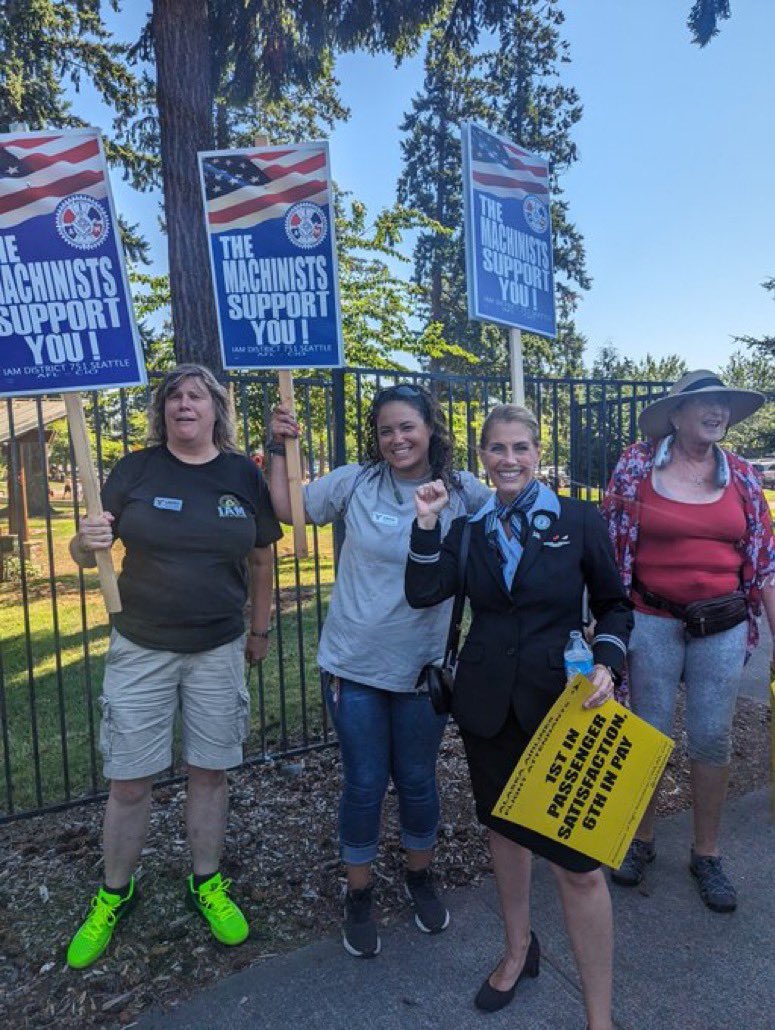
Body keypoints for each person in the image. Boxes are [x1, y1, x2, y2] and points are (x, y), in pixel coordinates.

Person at [405, 404, 631, 1030]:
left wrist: (609, 660)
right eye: (498, 449)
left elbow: (615, 605)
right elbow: (425, 592)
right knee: (503, 832)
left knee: (579, 868)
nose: (510, 459)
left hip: (564, 707)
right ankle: (517, 949)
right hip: (487, 706)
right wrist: (426, 524)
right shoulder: (469, 525)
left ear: (537, 452)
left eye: (521, 448)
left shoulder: (578, 519)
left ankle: (600, 1019)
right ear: (483, 456)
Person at [66, 364, 282, 969]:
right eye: (173, 398)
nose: (184, 405)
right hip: (142, 647)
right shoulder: (135, 469)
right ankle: (115, 892)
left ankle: (206, 881)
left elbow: (262, 561)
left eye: (196, 396)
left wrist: (259, 627)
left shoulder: (242, 474)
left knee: (210, 772)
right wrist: (87, 543)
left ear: (216, 410)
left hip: (217, 648)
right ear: (163, 413)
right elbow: (87, 552)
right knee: (131, 780)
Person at [268, 383, 491, 958]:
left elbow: (508, 539)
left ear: (430, 428)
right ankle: (359, 890)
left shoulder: (464, 490)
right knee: (364, 782)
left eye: (407, 427)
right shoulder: (355, 483)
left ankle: (420, 875)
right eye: (386, 430)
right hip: (354, 665)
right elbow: (288, 509)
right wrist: (276, 447)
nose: (397, 439)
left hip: (424, 670)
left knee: (417, 779)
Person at [602, 369, 775, 912]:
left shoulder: (745, 478)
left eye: (722, 403)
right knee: (647, 733)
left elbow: (766, 566)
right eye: (704, 402)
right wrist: (600, 619)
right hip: (650, 619)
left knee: (710, 738)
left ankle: (707, 854)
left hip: (721, 625)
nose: (716, 411)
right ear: (675, 415)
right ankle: (641, 840)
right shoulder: (635, 466)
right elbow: (608, 546)